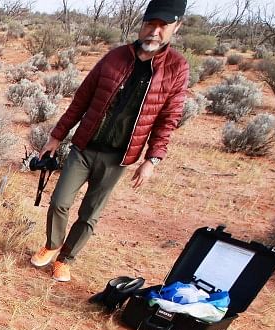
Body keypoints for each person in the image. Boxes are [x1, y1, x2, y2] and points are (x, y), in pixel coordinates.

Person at [31, 0, 191, 283]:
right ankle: (53, 244)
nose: (154, 32)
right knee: (59, 201)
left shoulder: (176, 69)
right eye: (150, 24)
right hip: (84, 146)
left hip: (119, 157)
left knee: (90, 213)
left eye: (162, 26)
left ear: (176, 28)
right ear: (142, 25)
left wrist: (152, 159)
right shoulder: (115, 57)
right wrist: (57, 136)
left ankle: (66, 259)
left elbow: (168, 119)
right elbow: (81, 99)